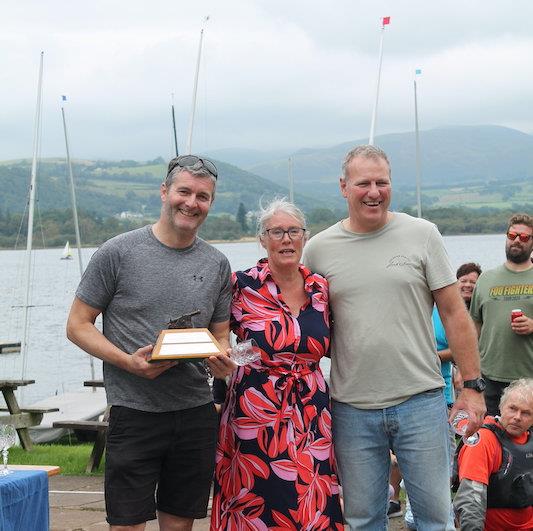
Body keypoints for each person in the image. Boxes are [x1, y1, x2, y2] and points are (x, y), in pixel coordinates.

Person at [303, 144, 486, 530]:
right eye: (363, 183)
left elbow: (455, 313)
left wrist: (472, 387)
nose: (374, 191)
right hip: (351, 407)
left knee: (436, 519)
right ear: (343, 187)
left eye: (381, 182)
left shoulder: (422, 235)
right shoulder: (318, 249)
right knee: (364, 520)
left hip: (420, 401)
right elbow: (299, 322)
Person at [66, 155, 236, 530]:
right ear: (164, 192)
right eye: (184, 192)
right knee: (126, 524)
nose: (192, 203)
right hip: (134, 411)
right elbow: (78, 325)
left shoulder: (217, 263)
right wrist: (129, 362)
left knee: (179, 525)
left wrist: (223, 358)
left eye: (203, 196)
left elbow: (220, 333)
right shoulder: (117, 252)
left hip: (195, 412)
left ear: (211, 202)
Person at [211, 199, 344, 530]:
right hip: (255, 412)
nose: (286, 239)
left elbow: (331, 343)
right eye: (277, 232)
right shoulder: (240, 285)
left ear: (304, 237)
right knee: (259, 500)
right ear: (262, 239)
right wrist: (218, 365)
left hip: (312, 411)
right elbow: (215, 338)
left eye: (294, 232)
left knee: (312, 496)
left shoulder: (321, 287)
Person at [470, 213, 533, 416]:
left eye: (524, 237)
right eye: (512, 235)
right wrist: (467, 371)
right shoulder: (486, 279)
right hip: (490, 378)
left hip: (529, 378)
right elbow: (474, 328)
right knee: (490, 439)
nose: (517, 240)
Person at [454, 378, 533, 530]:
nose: (517, 417)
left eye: (526, 413)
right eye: (512, 408)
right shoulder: (483, 441)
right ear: (501, 407)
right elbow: (471, 498)